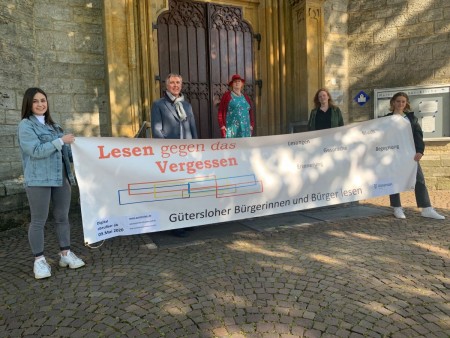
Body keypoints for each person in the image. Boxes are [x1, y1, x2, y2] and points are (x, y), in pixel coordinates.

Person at [18, 87, 85, 280]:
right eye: (36, 101)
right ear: (29, 105)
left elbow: (67, 153)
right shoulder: (26, 125)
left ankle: (65, 254)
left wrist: (87, 150)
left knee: (62, 217)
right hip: (39, 178)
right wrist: (60, 141)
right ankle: (39, 260)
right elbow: (35, 151)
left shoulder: (54, 127)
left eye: (43, 100)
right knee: (38, 220)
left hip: (61, 177)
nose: (40, 104)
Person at [151, 73, 198, 237]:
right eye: (172, 83)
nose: (175, 85)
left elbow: (192, 128)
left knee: (187, 188)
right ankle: (175, 222)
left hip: (187, 156)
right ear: (166, 85)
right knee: (174, 190)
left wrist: (196, 148)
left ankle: (188, 218)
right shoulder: (159, 104)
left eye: (178, 83)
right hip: (170, 155)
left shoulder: (187, 106)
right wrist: (167, 151)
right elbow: (157, 130)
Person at [386, 92, 445, 220]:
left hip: (410, 154)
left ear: (406, 103)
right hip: (394, 154)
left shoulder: (411, 118)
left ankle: (426, 208)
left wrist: (420, 151)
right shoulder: (386, 119)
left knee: (419, 179)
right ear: (393, 103)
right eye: (398, 101)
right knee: (394, 180)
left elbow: (418, 135)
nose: (400, 104)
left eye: (403, 101)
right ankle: (397, 207)